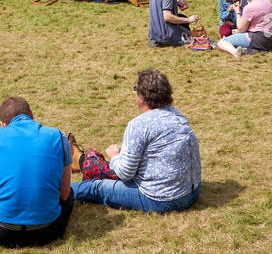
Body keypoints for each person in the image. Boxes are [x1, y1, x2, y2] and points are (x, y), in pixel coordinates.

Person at [70, 69, 201, 213]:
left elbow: (125, 174)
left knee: (97, 187)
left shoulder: (138, 125)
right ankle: (79, 160)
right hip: (192, 191)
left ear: (141, 97)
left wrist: (114, 156)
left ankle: (53, 192)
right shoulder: (177, 115)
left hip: (163, 199)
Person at [0, 96, 74, 247]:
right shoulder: (59, 136)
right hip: (48, 230)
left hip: (0, 231)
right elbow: (64, 194)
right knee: (70, 195)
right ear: (31, 113)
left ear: (3, 124)